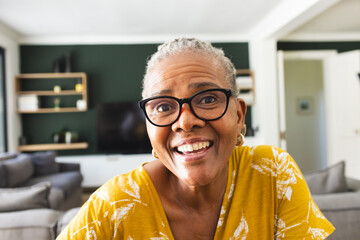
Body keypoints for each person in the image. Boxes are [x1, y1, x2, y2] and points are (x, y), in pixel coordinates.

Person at [57, 38, 334, 240]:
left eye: (208, 98)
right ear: (150, 129)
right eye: (163, 107)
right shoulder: (112, 206)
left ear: (239, 115)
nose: (186, 121)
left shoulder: (273, 174)